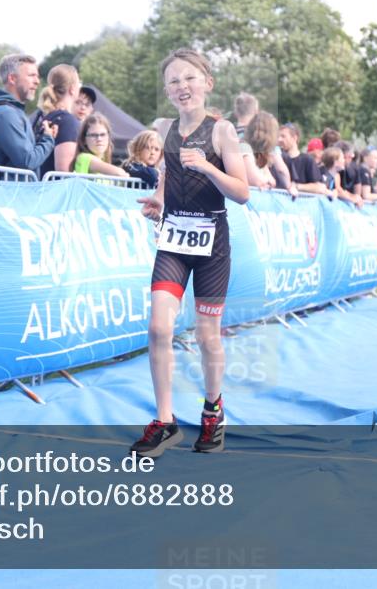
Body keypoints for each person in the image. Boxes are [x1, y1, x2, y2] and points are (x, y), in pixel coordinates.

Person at [132, 48, 249, 457]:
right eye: (174, 81)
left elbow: (242, 193)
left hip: (212, 245)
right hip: (174, 241)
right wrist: (160, 198)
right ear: (167, 91)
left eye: (190, 78)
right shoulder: (164, 129)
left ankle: (213, 410)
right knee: (158, 328)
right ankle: (165, 422)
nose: (182, 86)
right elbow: (168, 172)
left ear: (207, 83)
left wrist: (208, 167)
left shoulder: (222, 132)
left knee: (206, 336)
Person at [0, 54, 57, 171]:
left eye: (37, 76)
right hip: (6, 183)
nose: (37, 81)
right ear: (12, 79)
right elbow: (27, 161)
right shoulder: (5, 114)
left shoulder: (11, 111)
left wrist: (40, 138)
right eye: (31, 75)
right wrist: (48, 139)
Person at [36, 64, 82, 177]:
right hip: (53, 187)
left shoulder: (43, 117)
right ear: (72, 89)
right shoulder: (67, 121)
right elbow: (64, 171)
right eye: (79, 83)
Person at [242, 111, 296, 197]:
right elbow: (257, 180)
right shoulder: (244, 147)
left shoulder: (260, 154)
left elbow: (272, 181)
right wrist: (289, 186)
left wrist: (266, 181)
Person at [279, 123, 331, 197]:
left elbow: (320, 187)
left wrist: (297, 186)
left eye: (283, 136)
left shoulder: (307, 160)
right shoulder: (277, 160)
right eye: (278, 137)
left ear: (294, 138)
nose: (279, 139)